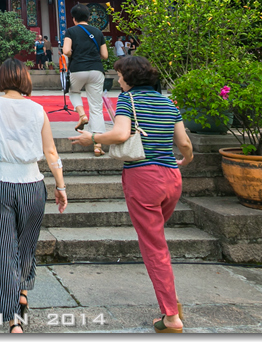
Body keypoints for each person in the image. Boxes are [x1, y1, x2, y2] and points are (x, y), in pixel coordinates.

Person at [70, 55, 193, 333]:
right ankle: (170, 298)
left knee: (154, 247)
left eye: (120, 75)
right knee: (157, 240)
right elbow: (184, 142)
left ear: (129, 77)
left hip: (143, 177)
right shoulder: (168, 102)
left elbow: (121, 134)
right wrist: (186, 159)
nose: (118, 80)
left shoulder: (129, 100)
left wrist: (92, 138)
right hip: (172, 178)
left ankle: (171, 315)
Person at [0, 58, 68, 333]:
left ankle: (12, 318)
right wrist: (61, 186)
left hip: (1, 184)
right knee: (25, 244)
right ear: (26, 80)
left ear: (1, 79)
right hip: (33, 184)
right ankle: (22, 291)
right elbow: (51, 152)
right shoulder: (38, 109)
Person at [64, 4, 108, 156]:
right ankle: (98, 145)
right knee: (96, 106)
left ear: (74, 18)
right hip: (96, 69)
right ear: (89, 17)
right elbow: (105, 55)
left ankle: (82, 114)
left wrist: (73, 53)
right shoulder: (97, 32)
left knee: (74, 91)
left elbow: (65, 51)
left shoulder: (71, 31)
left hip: (78, 69)